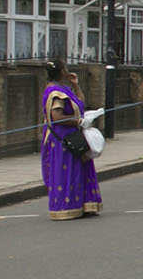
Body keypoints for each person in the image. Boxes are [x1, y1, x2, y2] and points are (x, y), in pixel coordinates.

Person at [41, 58, 101, 221]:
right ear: (61, 72)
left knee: (78, 169)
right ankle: (66, 207)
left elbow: (81, 104)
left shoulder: (64, 88)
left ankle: (83, 205)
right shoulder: (55, 92)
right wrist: (78, 121)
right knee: (66, 172)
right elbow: (57, 117)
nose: (68, 70)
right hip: (62, 139)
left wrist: (76, 84)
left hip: (73, 136)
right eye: (66, 68)